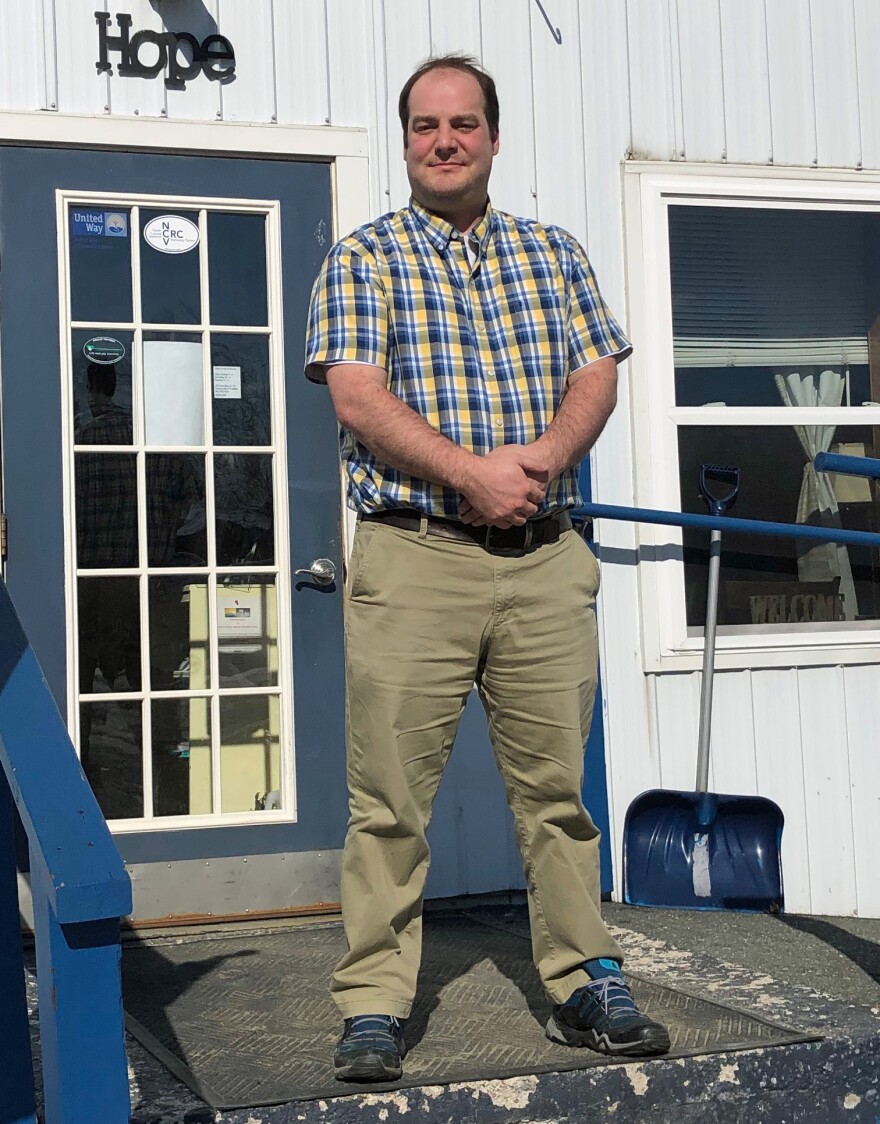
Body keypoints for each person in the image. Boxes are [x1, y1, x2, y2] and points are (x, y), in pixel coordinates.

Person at [305, 54, 671, 1084]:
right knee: (388, 802)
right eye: (425, 125)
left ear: (494, 136)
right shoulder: (363, 258)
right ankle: (374, 1001)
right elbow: (357, 395)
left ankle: (580, 978)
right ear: (407, 140)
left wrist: (544, 463)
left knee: (557, 795)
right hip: (415, 558)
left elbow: (594, 370)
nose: (445, 139)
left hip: (544, 561)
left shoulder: (552, 252)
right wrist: (475, 474)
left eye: (464, 123)